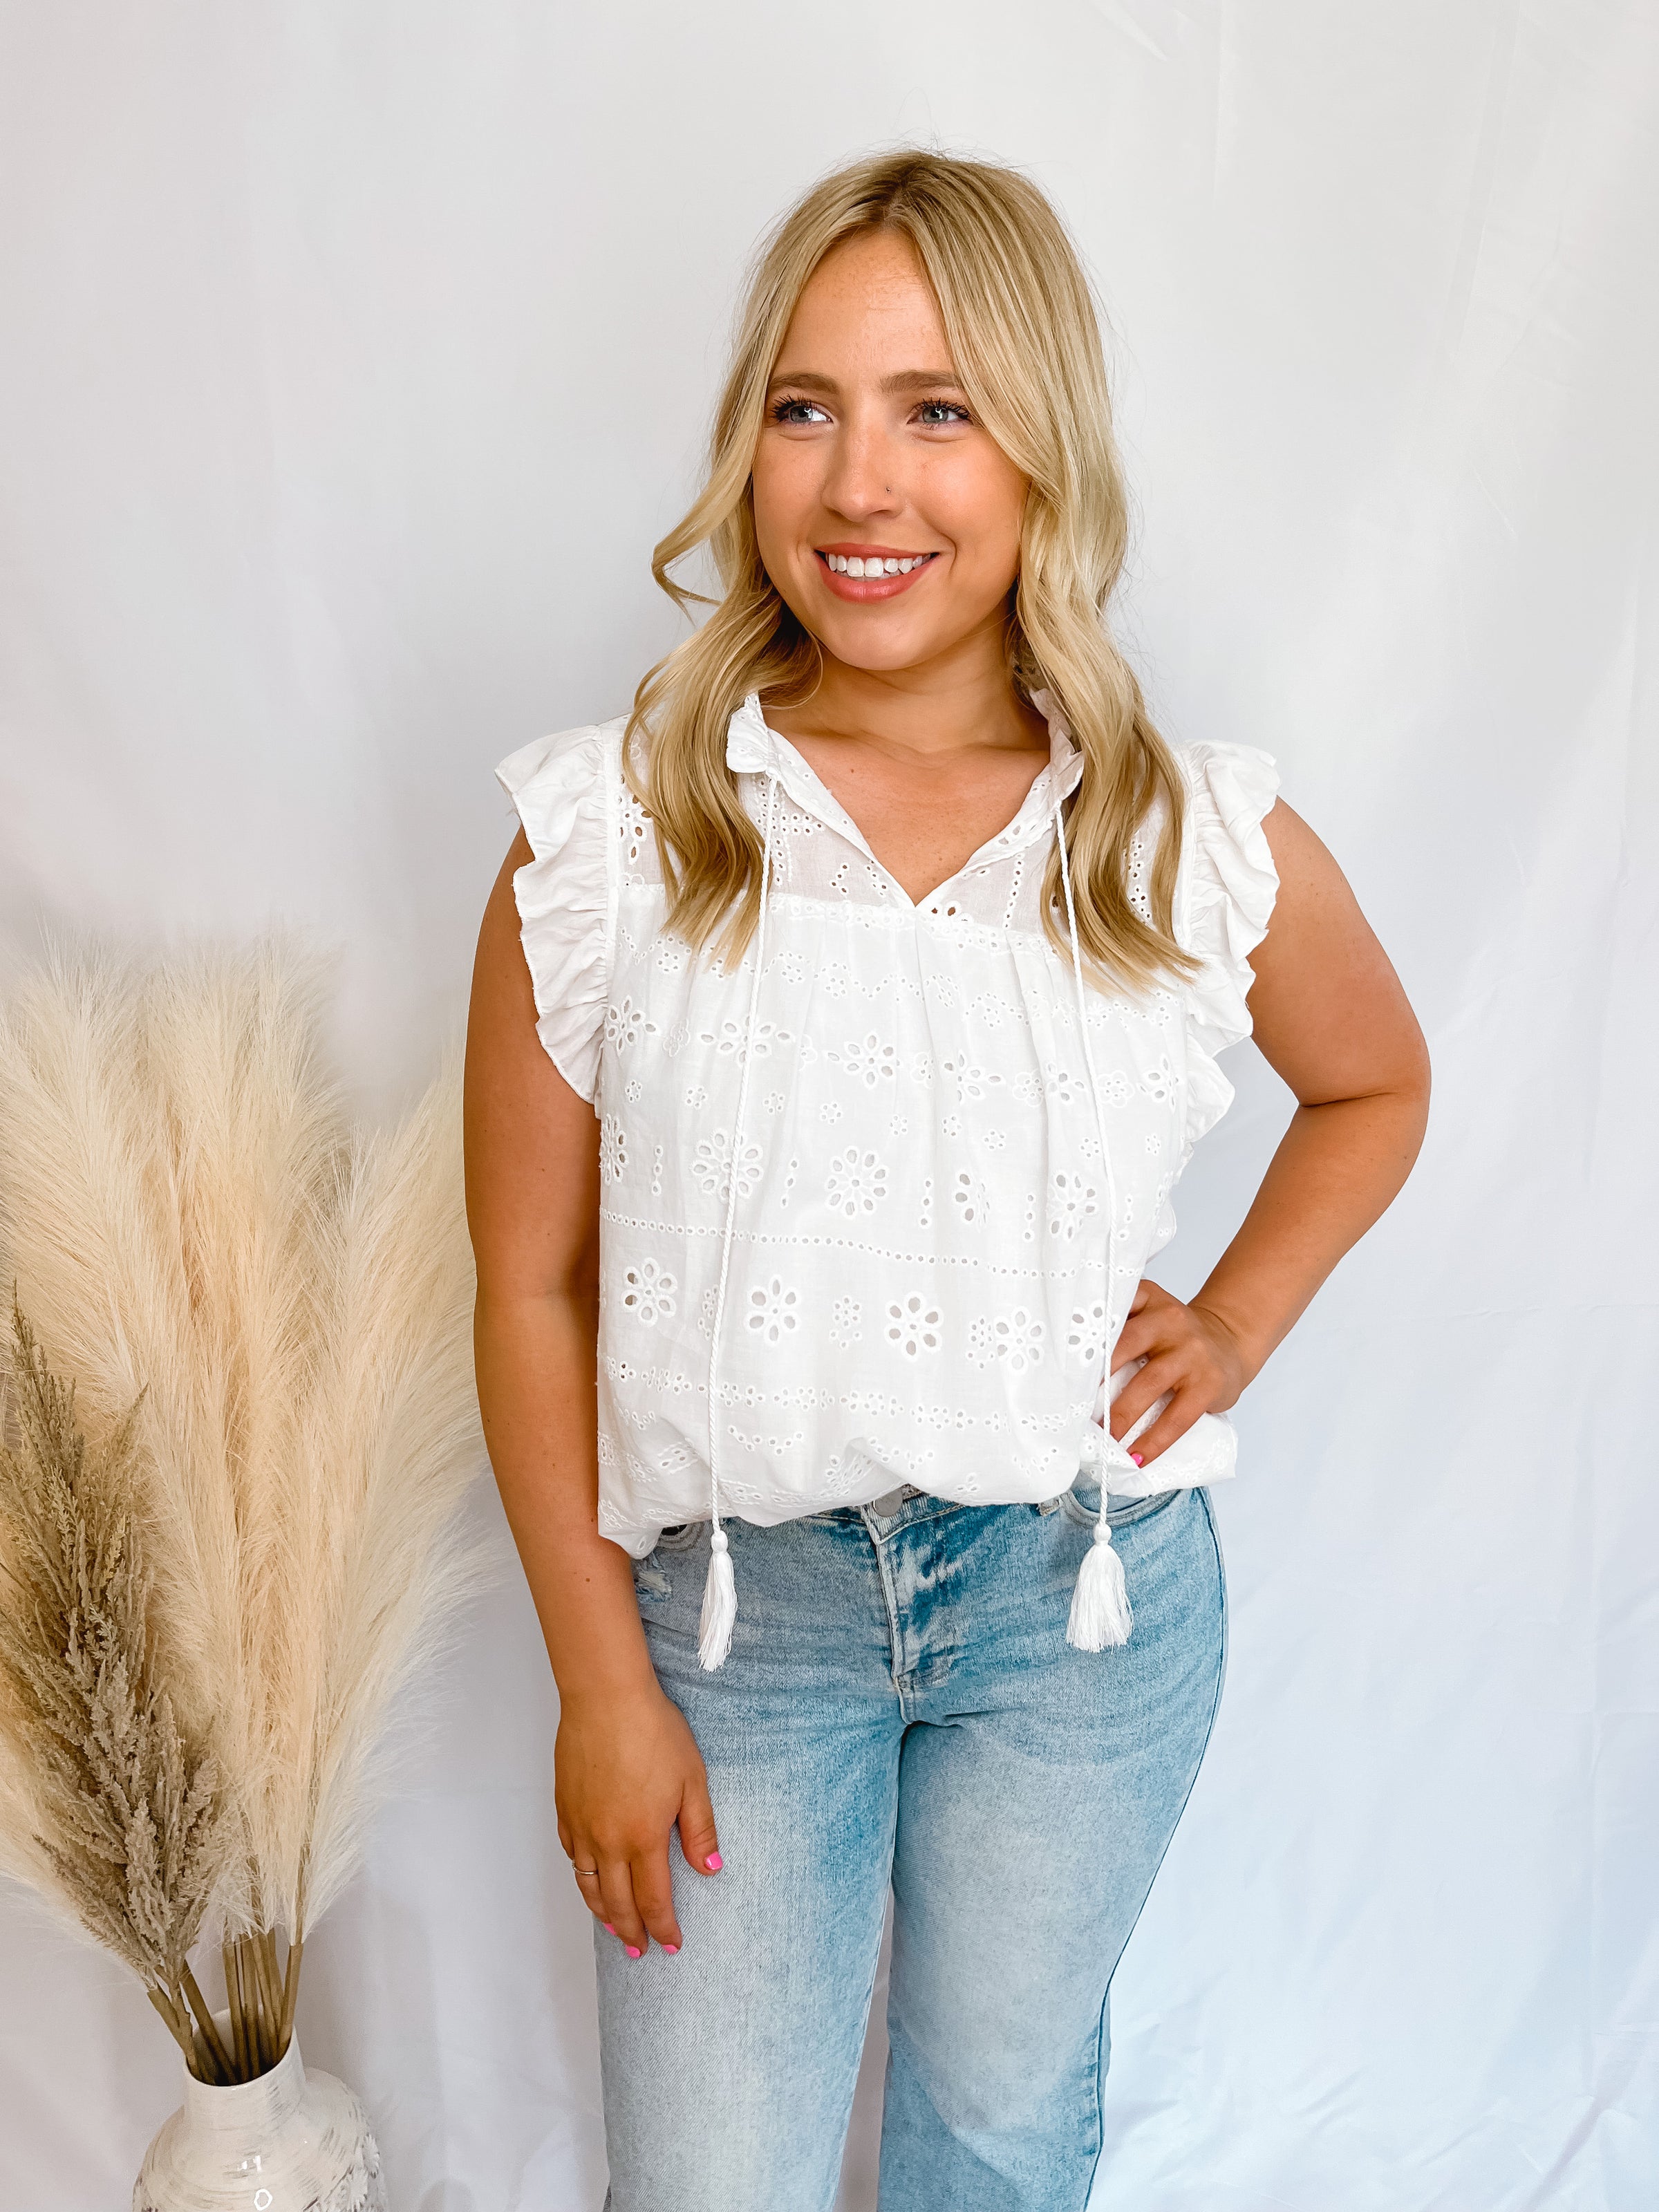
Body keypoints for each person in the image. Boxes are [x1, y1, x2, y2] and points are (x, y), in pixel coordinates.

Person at [463, 149, 1430, 2212]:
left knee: (992, 2148)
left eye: (938, 410)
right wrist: (599, 1683)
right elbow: (529, 1283)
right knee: (711, 2180)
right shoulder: (615, 839)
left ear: (1044, 453)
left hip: (1080, 1613)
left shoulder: (1182, 841)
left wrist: (1237, 1319)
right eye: (804, 409)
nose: (859, 484)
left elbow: (1376, 1086)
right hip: (738, 1628)